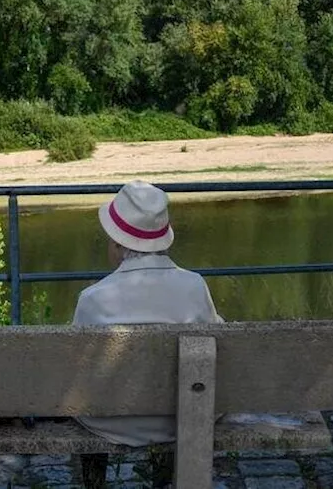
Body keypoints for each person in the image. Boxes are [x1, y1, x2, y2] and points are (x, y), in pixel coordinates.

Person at [71, 180, 223, 486]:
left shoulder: (93, 298)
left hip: (110, 422)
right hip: (184, 415)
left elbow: (75, 369)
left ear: (116, 243)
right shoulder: (194, 286)